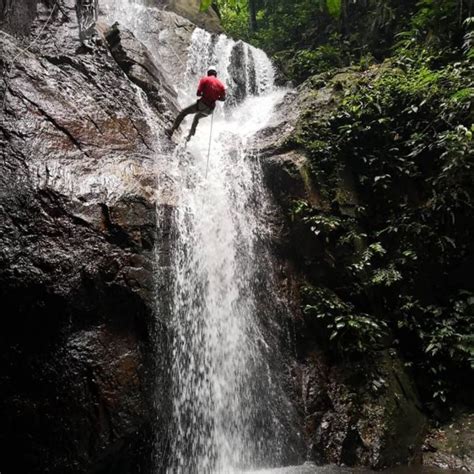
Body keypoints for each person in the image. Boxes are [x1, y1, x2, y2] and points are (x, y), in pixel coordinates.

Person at [165, 66, 226, 142]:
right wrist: (215, 97)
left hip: (202, 104)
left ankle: (171, 131)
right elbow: (223, 98)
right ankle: (189, 137)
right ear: (216, 74)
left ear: (208, 73)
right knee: (197, 117)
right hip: (210, 110)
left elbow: (198, 93)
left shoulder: (204, 79)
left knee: (183, 112)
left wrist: (205, 94)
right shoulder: (221, 85)